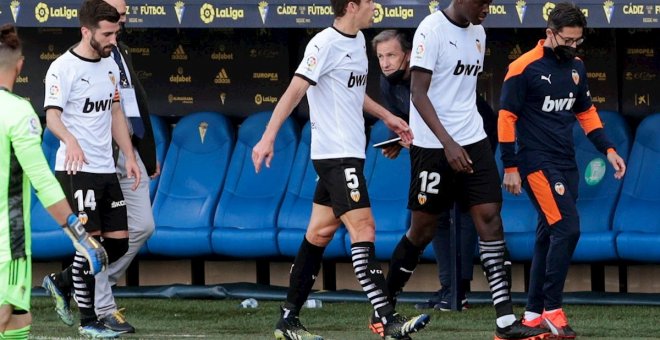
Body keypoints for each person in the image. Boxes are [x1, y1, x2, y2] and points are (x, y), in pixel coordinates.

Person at [252, 1, 430, 339]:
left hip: (351, 153)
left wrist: (387, 117)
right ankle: (386, 318)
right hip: (335, 156)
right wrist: (268, 136)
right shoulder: (323, 43)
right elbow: (294, 92)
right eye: (370, 2)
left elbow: (354, 92)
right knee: (364, 228)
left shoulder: (360, 41)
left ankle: (287, 319)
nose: (376, 6)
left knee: (318, 234)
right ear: (351, 6)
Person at [378, 1, 552, 339]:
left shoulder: (479, 32)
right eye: (482, 2)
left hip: (473, 139)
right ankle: (384, 307)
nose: (487, 7)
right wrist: (447, 143)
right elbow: (417, 92)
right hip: (433, 147)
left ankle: (505, 320)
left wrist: (465, 140)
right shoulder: (431, 29)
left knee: (490, 218)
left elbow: (463, 93)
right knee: (422, 229)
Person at [498, 3, 626, 338]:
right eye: (567, 40)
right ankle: (553, 309)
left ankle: (531, 316)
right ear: (550, 33)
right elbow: (506, 117)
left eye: (577, 41)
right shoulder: (522, 67)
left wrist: (608, 149)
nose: (572, 47)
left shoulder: (577, 67)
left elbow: (585, 112)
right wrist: (510, 166)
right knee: (567, 229)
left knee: (548, 235)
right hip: (535, 162)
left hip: (565, 162)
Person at [372, 29, 501, 312]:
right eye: (381, 57)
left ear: (409, 55)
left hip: (472, 136)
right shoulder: (387, 84)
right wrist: (400, 141)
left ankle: (460, 290)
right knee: (435, 215)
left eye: (391, 55)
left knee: (467, 209)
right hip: (432, 147)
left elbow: (446, 115)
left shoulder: (429, 74)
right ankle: (448, 288)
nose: (386, 63)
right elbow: (410, 124)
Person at [0, 23, 108, 340]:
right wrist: (80, 236)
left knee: (19, 318)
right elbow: (44, 182)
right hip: (8, 241)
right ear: (20, 65)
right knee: (6, 311)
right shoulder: (19, 113)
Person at [40, 0, 141, 338]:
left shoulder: (111, 64)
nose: (114, 39)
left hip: (106, 169)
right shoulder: (62, 68)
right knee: (90, 248)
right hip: (75, 169)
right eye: (108, 33)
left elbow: (114, 112)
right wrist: (69, 140)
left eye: (117, 32)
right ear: (86, 31)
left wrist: (128, 155)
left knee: (118, 246)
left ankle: (60, 281)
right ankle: (89, 322)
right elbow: (52, 116)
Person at [93, 0, 159, 333]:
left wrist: (145, 153)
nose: (124, 17)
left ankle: (86, 282)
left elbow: (135, 104)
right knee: (108, 233)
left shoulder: (122, 51)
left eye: (125, 13)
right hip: (100, 155)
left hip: (129, 151)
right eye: (118, 12)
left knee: (144, 226)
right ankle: (101, 302)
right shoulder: (87, 56)